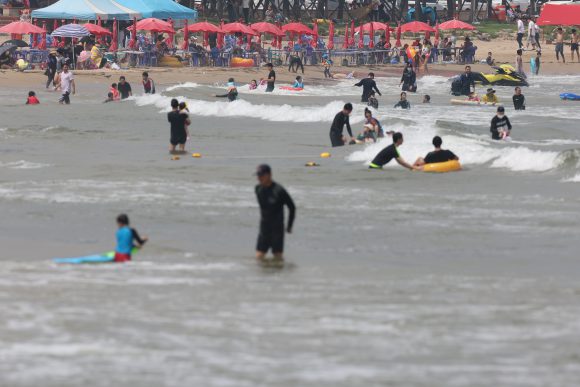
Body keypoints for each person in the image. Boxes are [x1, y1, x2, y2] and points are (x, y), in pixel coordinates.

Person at [254, 164, 296, 263]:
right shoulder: (258, 189)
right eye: (258, 175)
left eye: (261, 175)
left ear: (269, 175)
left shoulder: (279, 190)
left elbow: (292, 207)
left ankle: (279, 278)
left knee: (278, 260)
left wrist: (289, 226)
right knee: (258, 259)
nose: (259, 178)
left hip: (277, 230)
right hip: (264, 229)